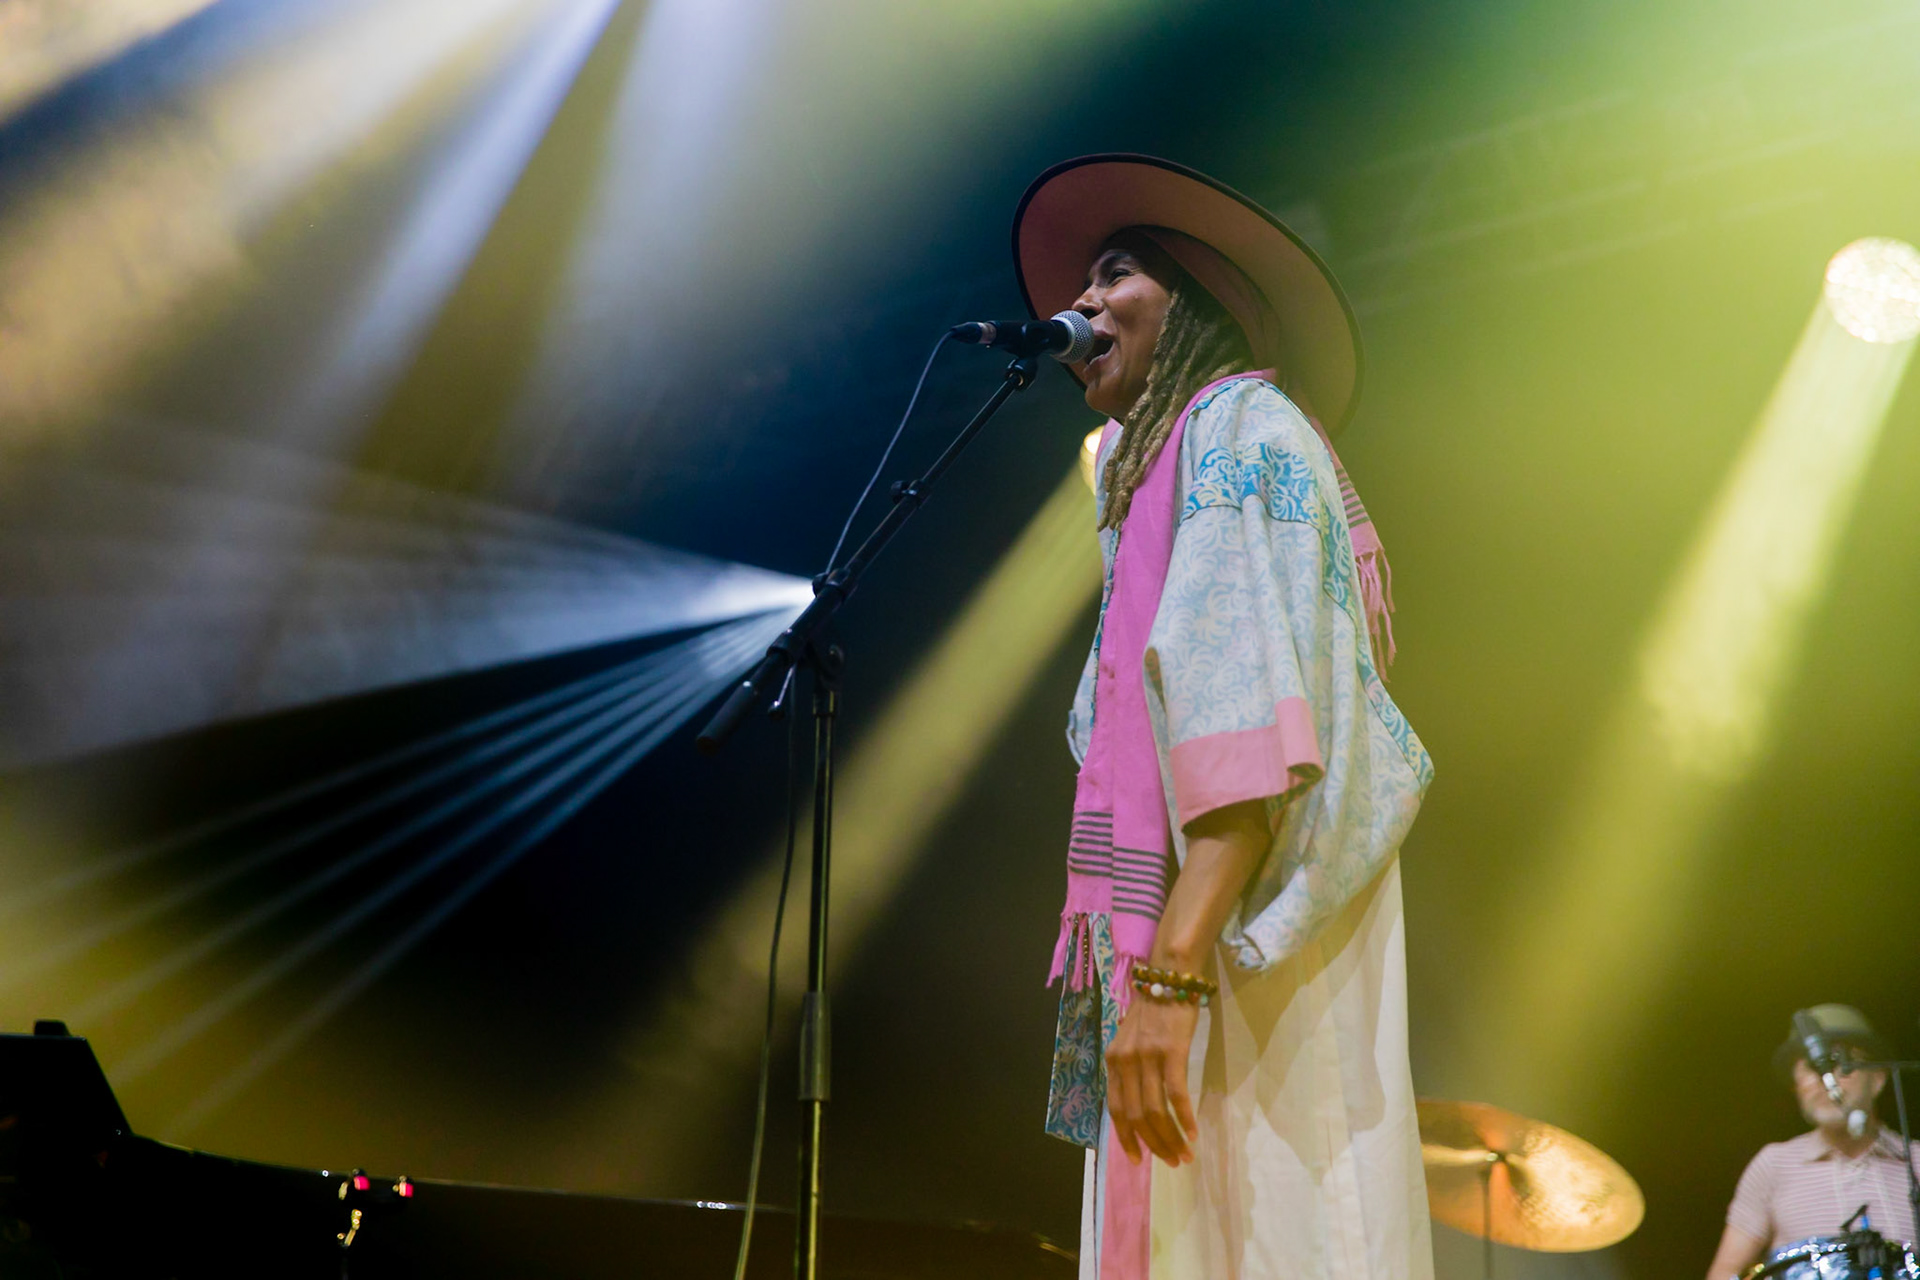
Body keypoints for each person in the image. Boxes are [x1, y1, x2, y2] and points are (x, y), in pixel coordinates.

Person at [1014, 155, 1435, 1280]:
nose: (1085, 304)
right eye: (1087, 283)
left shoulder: (1242, 427)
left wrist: (1170, 977)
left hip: (1243, 937)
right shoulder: (1160, 470)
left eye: (1116, 275)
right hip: (1205, 935)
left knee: (1279, 1226)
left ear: (1196, 301)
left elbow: (1247, 734)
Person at [1705, 1005, 1919, 1280]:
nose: (1823, 1077)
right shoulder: (1774, 1163)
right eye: (1810, 1066)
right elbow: (1724, 1273)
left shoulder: (1915, 1160)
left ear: (1877, 1079)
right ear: (1796, 1087)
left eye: (1840, 1061)